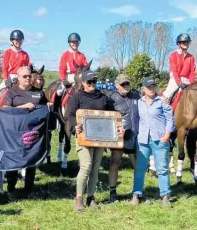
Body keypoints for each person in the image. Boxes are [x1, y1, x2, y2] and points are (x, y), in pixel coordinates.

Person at [68, 70, 122, 211]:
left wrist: (118, 128)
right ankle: (79, 198)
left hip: (100, 138)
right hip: (83, 137)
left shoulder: (102, 97)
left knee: (95, 168)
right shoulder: (76, 97)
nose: (92, 84)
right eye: (90, 81)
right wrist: (75, 126)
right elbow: (71, 115)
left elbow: (112, 115)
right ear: (83, 83)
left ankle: (90, 197)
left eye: (95, 81)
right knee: (86, 166)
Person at [2, 66, 50, 199]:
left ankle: (29, 189)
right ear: (18, 78)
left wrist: (49, 106)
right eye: (25, 76)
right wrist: (23, 107)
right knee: (14, 159)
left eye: (29, 76)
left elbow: (46, 105)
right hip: (16, 131)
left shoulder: (38, 93)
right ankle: (11, 189)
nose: (28, 78)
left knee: (32, 158)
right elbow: (5, 108)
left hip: (33, 131)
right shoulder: (12, 92)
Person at [132, 78, 174, 207]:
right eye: (148, 87)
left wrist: (167, 134)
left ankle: (165, 195)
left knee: (162, 168)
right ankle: (136, 194)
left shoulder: (162, 102)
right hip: (143, 139)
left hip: (159, 138)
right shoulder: (139, 102)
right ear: (143, 89)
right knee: (140, 168)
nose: (151, 89)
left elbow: (170, 119)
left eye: (153, 86)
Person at [102, 74, 139, 203]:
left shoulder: (137, 96)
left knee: (137, 166)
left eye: (127, 83)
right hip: (117, 137)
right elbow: (103, 116)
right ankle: (112, 193)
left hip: (134, 136)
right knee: (114, 163)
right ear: (116, 85)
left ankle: (137, 192)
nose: (125, 86)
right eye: (122, 84)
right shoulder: (110, 98)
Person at [0, 30, 31, 95]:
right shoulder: (7, 52)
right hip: (10, 78)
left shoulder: (25, 54)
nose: (19, 42)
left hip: (22, 78)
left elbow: (28, 68)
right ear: (12, 40)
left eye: (20, 40)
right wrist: (6, 79)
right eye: (17, 40)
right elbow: (4, 68)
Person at [162, 33, 197, 103]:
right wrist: (180, 83)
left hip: (187, 81)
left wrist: (192, 84)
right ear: (178, 44)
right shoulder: (173, 55)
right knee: (166, 96)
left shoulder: (191, 57)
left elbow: (192, 72)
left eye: (187, 42)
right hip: (175, 80)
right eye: (183, 42)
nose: (186, 43)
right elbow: (174, 72)